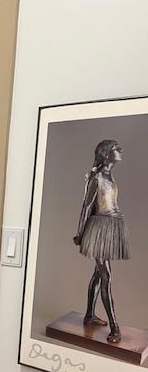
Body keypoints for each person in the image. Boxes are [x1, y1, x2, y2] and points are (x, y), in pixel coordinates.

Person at [73, 139, 131, 344]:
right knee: (106, 275)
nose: (120, 150)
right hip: (99, 229)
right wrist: (80, 234)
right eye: (116, 148)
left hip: (111, 225)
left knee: (99, 273)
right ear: (106, 154)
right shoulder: (96, 178)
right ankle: (115, 327)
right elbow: (86, 207)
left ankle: (89, 314)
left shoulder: (108, 175)